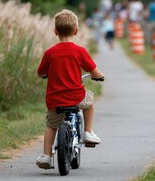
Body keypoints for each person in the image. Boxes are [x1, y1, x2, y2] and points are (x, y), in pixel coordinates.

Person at [36, 9, 105, 169]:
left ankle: (46, 156)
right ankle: (88, 131)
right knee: (89, 101)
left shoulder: (50, 53)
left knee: (51, 125)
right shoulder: (80, 51)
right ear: (76, 31)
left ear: (55, 31)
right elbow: (94, 71)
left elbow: (40, 72)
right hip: (76, 96)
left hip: (55, 99)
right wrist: (99, 75)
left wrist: (45, 74)